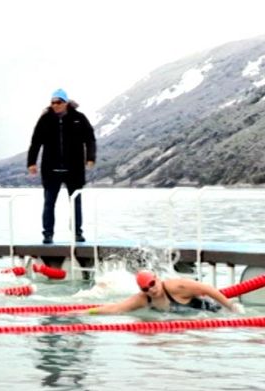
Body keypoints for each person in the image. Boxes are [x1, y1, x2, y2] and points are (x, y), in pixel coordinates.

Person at [27, 88, 97, 244]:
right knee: (49, 202)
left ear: (66, 103)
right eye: (52, 102)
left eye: (58, 102)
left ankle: (77, 233)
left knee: (75, 202)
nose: (55, 105)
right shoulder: (45, 119)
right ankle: (48, 234)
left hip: (74, 169)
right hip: (51, 169)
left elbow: (90, 139)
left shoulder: (79, 118)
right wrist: (31, 162)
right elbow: (36, 142)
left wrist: (90, 158)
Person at [87, 270, 245, 315]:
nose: (151, 289)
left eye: (152, 284)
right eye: (145, 289)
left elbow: (207, 289)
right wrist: (86, 312)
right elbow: (115, 308)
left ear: (157, 278)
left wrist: (231, 306)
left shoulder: (177, 287)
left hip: (212, 313)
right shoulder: (143, 299)